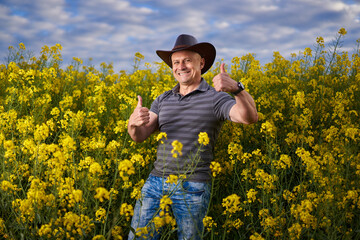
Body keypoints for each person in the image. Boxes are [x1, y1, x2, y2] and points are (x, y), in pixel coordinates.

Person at [127, 34, 258, 240]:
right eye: (176, 62)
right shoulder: (163, 99)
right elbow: (139, 136)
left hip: (193, 186)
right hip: (155, 183)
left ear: (201, 62)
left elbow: (249, 118)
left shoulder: (216, 97)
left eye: (188, 60)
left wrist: (237, 89)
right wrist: (133, 123)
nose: (181, 66)